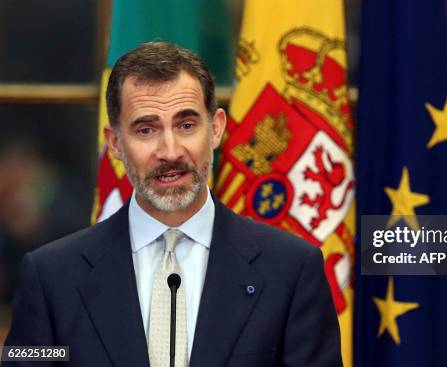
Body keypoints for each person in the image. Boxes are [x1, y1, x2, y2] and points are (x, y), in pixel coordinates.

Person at [2, 42, 342, 367]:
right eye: (146, 130)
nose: (170, 150)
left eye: (187, 125)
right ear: (115, 143)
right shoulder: (51, 279)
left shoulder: (292, 271)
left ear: (216, 129)